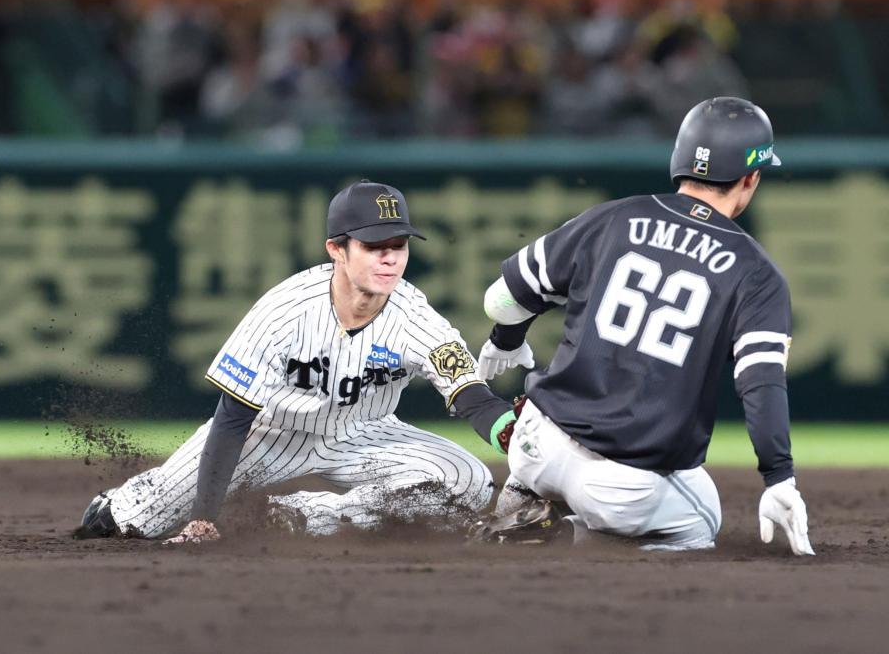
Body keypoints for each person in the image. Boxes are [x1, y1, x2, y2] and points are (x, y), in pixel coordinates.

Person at [74, 180, 516, 542]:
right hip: (270, 433)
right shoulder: (286, 310)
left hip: (365, 434)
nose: (389, 257)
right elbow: (232, 418)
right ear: (337, 249)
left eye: (398, 245)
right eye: (373, 245)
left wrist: (511, 433)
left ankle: (300, 516)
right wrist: (204, 520)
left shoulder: (415, 316)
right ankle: (128, 500)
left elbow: (472, 396)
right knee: (133, 524)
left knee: (468, 481)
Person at [472, 97, 815, 555]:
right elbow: (762, 383)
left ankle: (522, 496)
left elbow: (502, 299)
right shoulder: (756, 272)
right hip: (621, 486)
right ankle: (567, 536)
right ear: (750, 177)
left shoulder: (613, 216)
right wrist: (779, 476)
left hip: (535, 443)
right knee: (703, 521)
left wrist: (507, 339)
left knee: (545, 442)